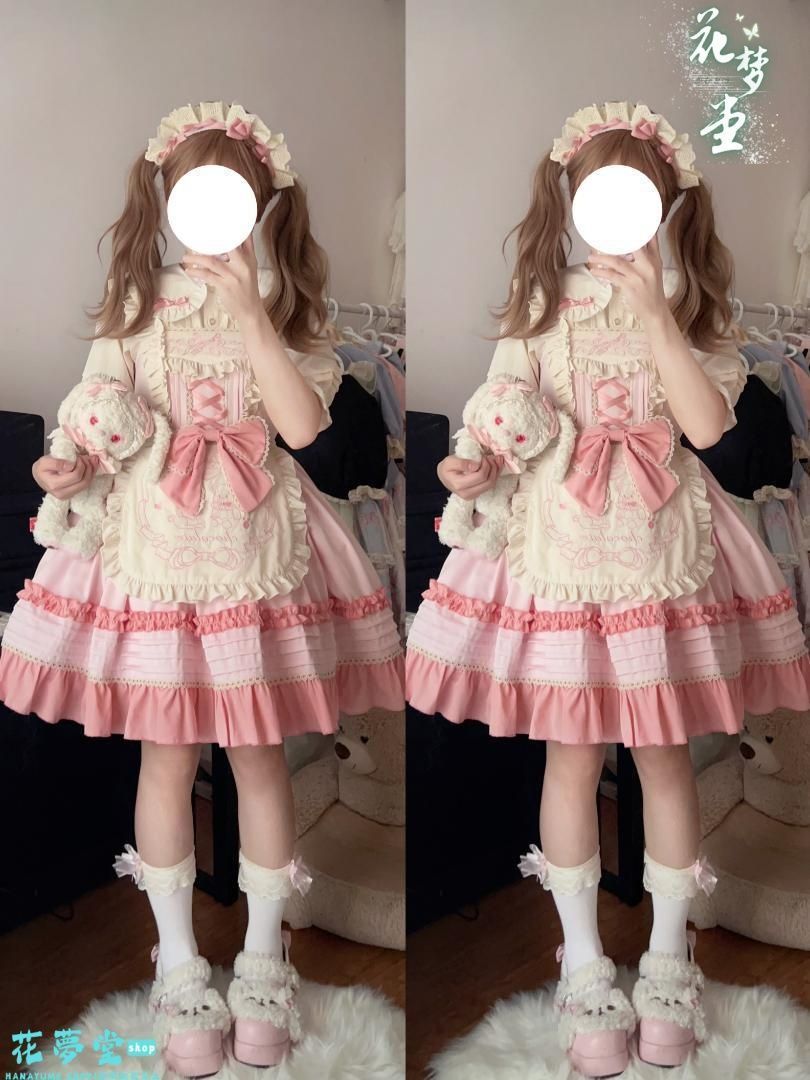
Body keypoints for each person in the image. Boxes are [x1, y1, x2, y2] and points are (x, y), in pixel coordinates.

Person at [405, 100, 810, 1078]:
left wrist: (660, 317)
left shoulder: (699, 316)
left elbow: (713, 434)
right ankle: (585, 966)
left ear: (668, 210)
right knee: (572, 758)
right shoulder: (540, 310)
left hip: (666, 562)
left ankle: (669, 964)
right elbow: (496, 422)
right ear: (573, 205)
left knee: (666, 758)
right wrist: (470, 466)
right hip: (559, 557)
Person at [0, 100, 404, 1076]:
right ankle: (179, 965)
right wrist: (64, 465)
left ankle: (263, 962)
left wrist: (254, 317)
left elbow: (305, 431)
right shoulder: (134, 309)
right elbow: (91, 423)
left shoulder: (292, 314)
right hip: (155, 558)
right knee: (167, 759)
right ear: (167, 204)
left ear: (263, 209)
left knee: (260, 758)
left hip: (260, 561)